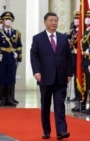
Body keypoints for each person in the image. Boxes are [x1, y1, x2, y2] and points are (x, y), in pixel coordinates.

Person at [30, 12, 72, 140]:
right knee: (45, 105)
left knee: (60, 105)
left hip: (61, 77)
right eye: (51, 20)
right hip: (45, 77)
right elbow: (34, 56)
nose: (54, 23)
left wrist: (70, 73)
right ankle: (46, 130)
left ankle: (61, 131)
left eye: (55, 20)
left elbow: (68, 57)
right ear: (45, 22)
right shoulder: (38, 38)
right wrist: (36, 71)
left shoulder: (63, 38)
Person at [0, 11, 22, 106]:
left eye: (10, 20)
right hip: (3, 57)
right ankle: (3, 99)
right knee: (3, 77)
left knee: (11, 77)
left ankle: (10, 98)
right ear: (3, 21)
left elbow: (19, 46)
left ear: (12, 21)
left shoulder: (16, 33)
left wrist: (17, 54)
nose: (8, 21)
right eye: (6, 20)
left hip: (11, 57)